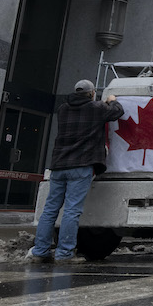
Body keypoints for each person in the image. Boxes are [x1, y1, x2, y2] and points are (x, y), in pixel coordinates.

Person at [28, 79, 124, 264]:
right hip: (81, 166)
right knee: (72, 211)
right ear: (91, 93)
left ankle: (40, 251)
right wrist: (112, 99)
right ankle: (64, 253)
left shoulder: (63, 109)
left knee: (49, 210)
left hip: (59, 165)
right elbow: (118, 111)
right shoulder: (96, 108)